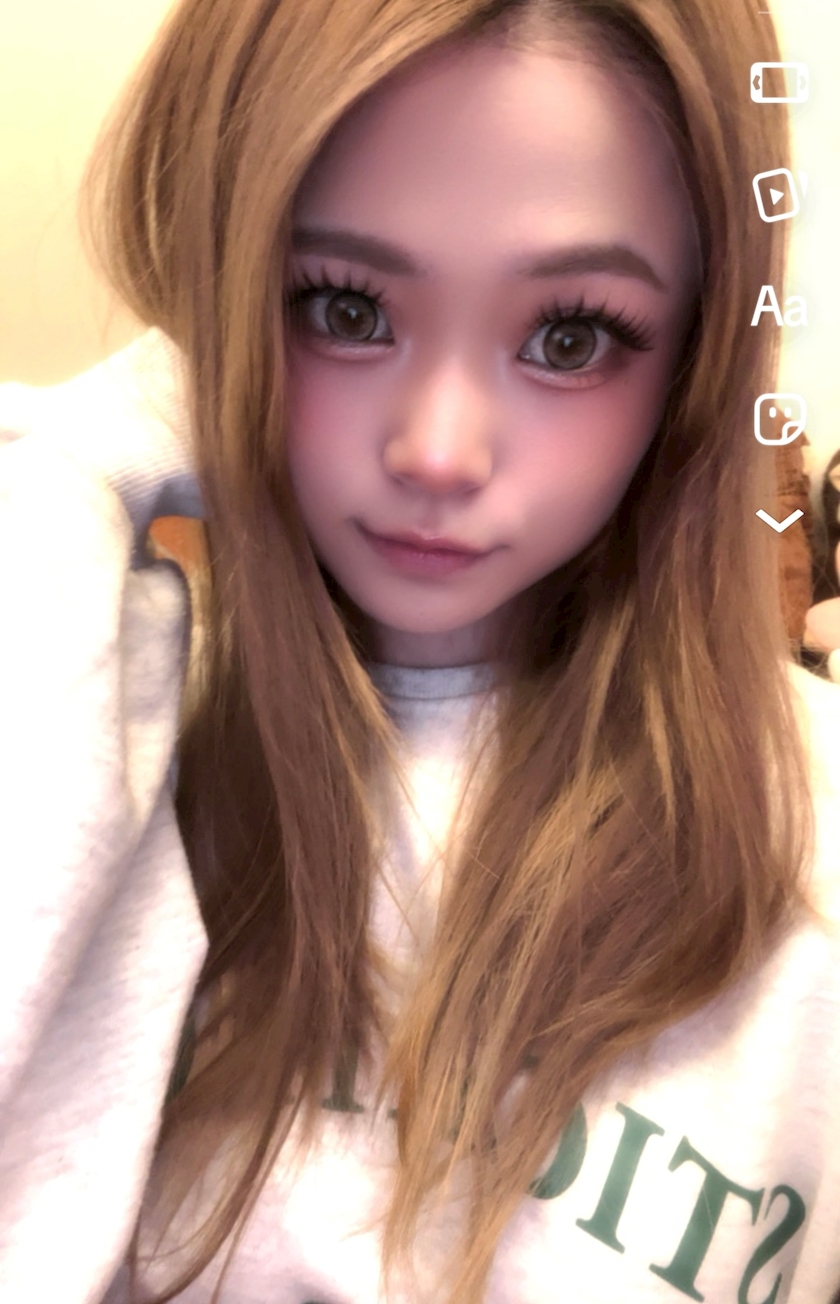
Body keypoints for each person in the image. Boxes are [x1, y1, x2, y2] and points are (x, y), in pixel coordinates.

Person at [1, 1, 839, 1302]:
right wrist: (78, 462)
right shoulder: (95, 720)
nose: (439, 452)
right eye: (341, 307)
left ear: (693, 360)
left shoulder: (814, 833)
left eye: (570, 337)